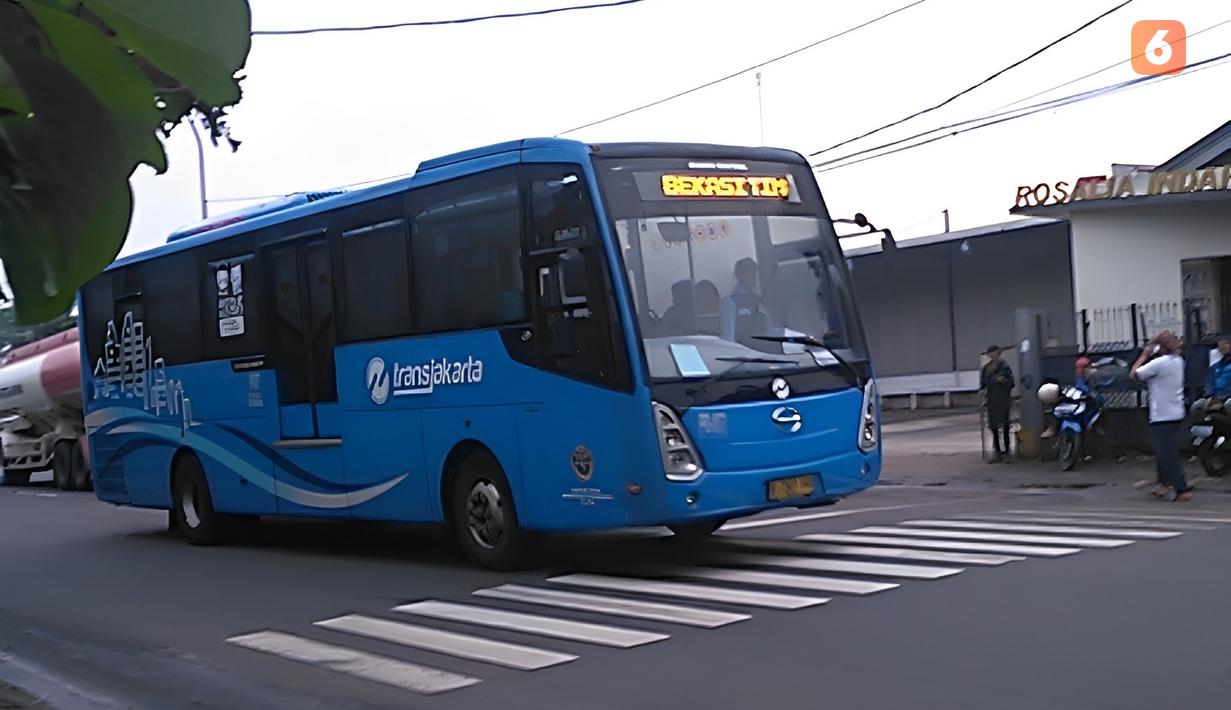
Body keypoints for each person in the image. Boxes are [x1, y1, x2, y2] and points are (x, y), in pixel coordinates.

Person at [1131, 330, 1191, 502]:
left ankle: (1181, 489)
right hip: (1175, 411)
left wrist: (1144, 355)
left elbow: (1134, 374)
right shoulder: (1178, 361)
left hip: (1161, 414)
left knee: (1167, 452)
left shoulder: (1160, 363)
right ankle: (1163, 484)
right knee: (1164, 449)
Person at [720, 257, 773, 343]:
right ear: (739, 275)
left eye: (754, 271)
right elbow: (728, 340)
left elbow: (771, 332)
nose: (753, 275)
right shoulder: (729, 302)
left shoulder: (759, 301)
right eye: (748, 271)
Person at [980, 345, 1015, 462]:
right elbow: (983, 384)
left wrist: (1003, 381)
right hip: (991, 400)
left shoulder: (1004, 366)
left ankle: (1007, 450)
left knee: (1005, 425)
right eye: (990, 353)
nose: (992, 355)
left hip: (1003, 399)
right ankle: (997, 451)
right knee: (994, 426)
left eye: (994, 353)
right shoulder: (986, 368)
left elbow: (1010, 382)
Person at [1206, 335, 1231, 400]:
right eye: (1220, 344)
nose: (1222, 346)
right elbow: (1210, 382)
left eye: (1226, 343)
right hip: (1217, 398)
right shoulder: (1216, 365)